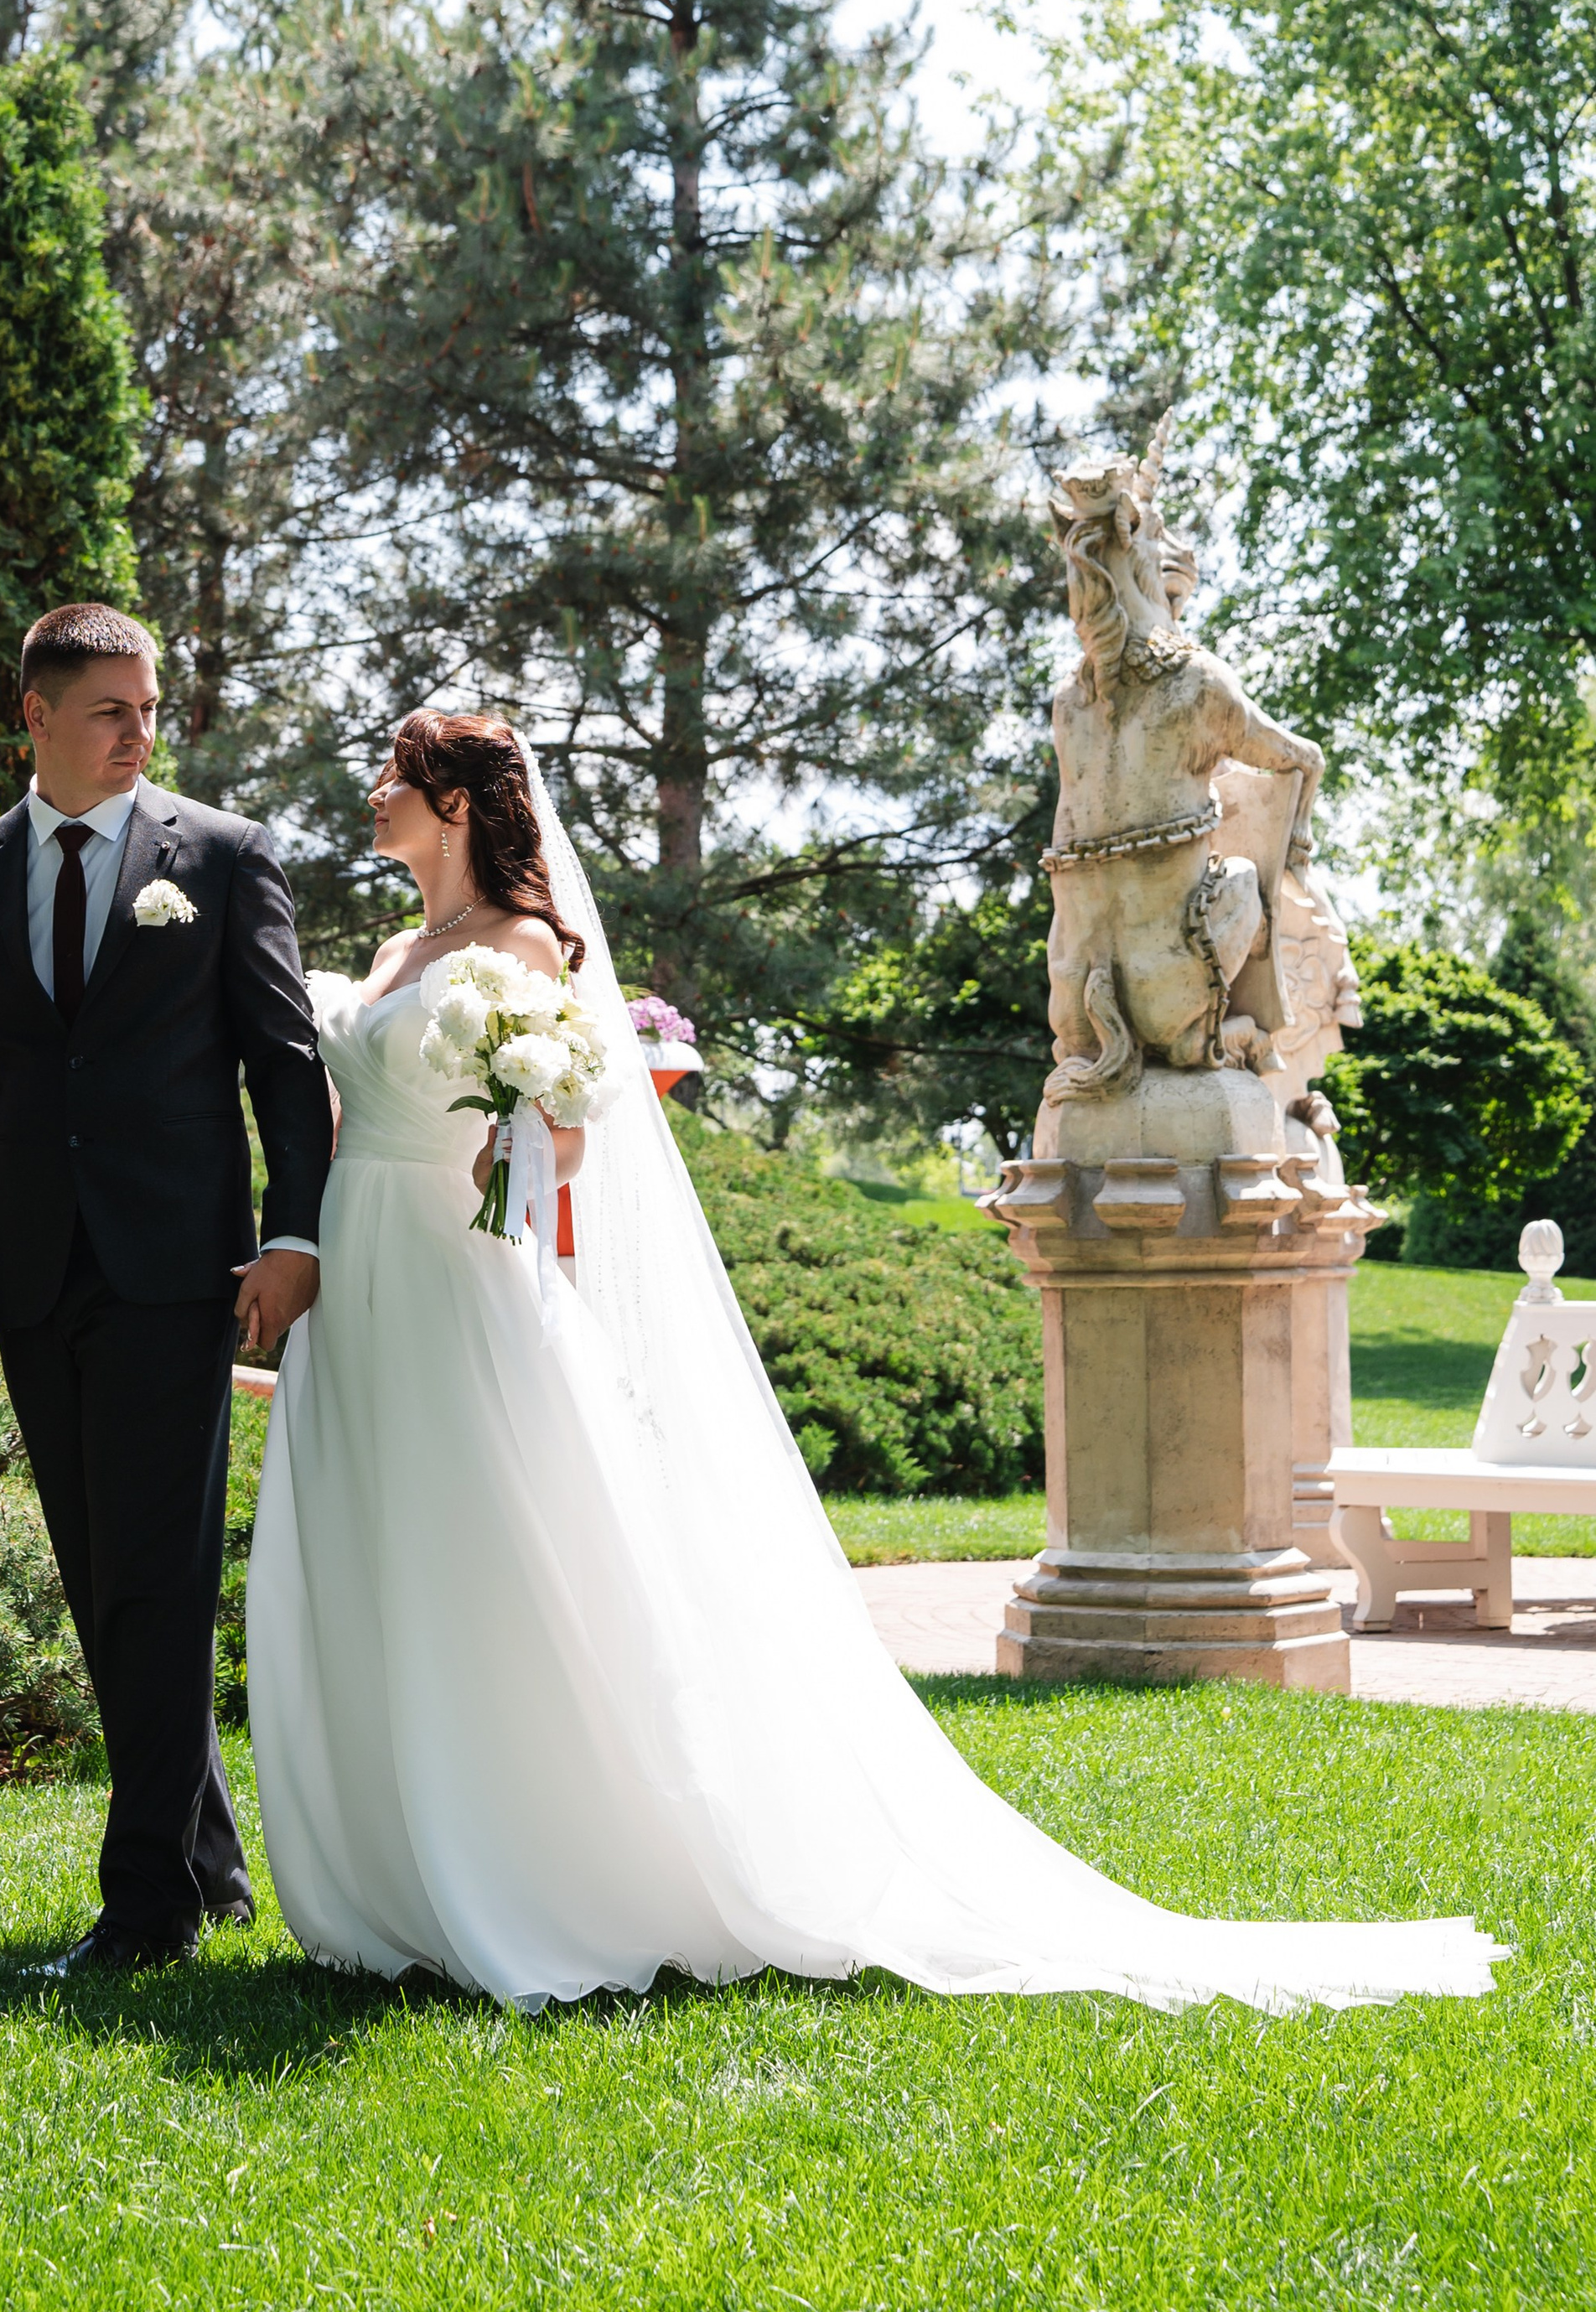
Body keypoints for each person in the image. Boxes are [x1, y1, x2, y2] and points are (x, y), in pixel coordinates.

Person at [246, 708, 1505, 2014]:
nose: (376, 793)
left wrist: (513, 1140)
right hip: (359, 1266)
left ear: (455, 803)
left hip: (457, 1279)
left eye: (397, 777)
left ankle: (525, 1869)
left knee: (481, 1563)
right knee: (373, 1549)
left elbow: (569, 1141)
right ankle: (397, 1879)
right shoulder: (392, 954)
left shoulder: (523, 949)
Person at [0, 602, 330, 1976]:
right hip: (32, 1279)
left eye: (149, 708)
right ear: (37, 717)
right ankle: (207, 1862)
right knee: (102, 1582)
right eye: (110, 710)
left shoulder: (222, 855)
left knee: (154, 1576)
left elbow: (284, 1066)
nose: (139, 731)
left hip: (174, 1271)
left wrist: (294, 1236)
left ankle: (146, 1911)